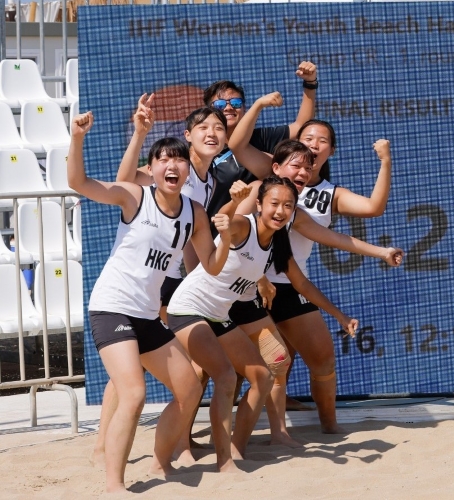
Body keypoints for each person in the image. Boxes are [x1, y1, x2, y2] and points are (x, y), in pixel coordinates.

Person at [69, 112, 231, 492]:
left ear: (187, 173)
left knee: (190, 389)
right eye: (164, 159)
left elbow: (210, 265)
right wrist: (76, 138)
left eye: (179, 160)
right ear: (152, 169)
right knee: (134, 392)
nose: (172, 165)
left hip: (145, 315)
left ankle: (160, 464)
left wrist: (229, 237)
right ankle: (114, 484)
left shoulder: (195, 213)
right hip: (112, 307)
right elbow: (77, 182)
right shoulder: (134, 196)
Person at [227, 140, 404, 450]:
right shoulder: (256, 193)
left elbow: (334, 240)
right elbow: (227, 236)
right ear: (277, 168)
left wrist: (382, 252)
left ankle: (312, 428)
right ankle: (211, 441)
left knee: (310, 358)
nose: (304, 171)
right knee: (237, 370)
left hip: (286, 287)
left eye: (309, 167)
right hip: (239, 291)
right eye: (297, 165)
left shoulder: (293, 212)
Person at [116, 97, 228, 320]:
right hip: (147, 277)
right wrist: (139, 134)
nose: (211, 133)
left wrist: (196, 281)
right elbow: (124, 182)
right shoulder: (171, 167)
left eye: (219, 128)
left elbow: (191, 240)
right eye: (203, 127)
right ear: (187, 135)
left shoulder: (211, 184)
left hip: (173, 277)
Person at [205, 61, 319, 217]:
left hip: (252, 231)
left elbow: (301, 126)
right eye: (219, 104)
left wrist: (310, 83)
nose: (229, 108)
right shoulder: (204, 148)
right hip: (212, 227)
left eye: (236, 103)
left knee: (259, 185)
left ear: (244, 108)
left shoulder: (261, 138)